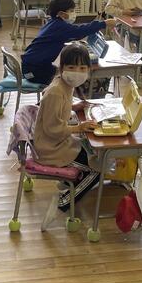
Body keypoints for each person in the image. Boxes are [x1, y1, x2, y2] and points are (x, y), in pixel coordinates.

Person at [33, 43, 102, 229]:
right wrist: (79, 127)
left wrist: (73, 107)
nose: (77, 72)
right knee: (96, 169)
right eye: (72, 67)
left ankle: (70, 184)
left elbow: (59, 109)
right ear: (62, 67)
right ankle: (63, 203)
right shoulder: (56, 91)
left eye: (82, 68)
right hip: (50, 147)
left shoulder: (64, 85)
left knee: (91, 152)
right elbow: (52, 128)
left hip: (57, 142)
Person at [21, 0, 116, 85]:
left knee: (64, 71)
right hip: (32, 72)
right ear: (61, 13)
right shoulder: (60, 26)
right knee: (69, 79)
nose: (73, 13)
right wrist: (104, 23)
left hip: (31, 66)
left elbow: (71, 34)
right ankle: (62, 94)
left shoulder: (52, 23)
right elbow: (79, 31)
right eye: (71, 10)